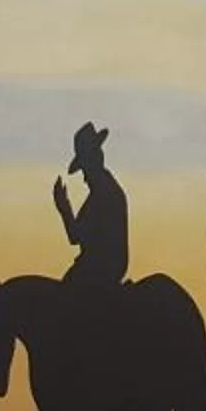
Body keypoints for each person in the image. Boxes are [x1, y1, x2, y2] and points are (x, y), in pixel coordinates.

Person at [54, 121, 128, 287]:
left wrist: (64, 207)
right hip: (104, 267)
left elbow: (75, 236)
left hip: (99, 269)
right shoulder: (107, 191)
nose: (84, 178)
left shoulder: (103, 195)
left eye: (85, 170)